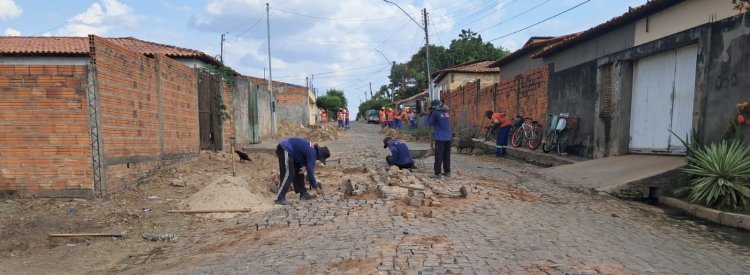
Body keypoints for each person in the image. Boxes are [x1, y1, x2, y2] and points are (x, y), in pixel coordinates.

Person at [275, 137, 330, 205]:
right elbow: (310, 174)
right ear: (320, 156)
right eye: (320, 159)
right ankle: (280, 198)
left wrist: (304, 165)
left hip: (292, 153)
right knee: (289, 174)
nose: (318, 160)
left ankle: (303, 193)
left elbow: (301, 153)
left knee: (299, 171)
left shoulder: (312, 149)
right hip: (285, 149)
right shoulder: (313, 154)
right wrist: (316, 187)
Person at [428, 99, 452, 178]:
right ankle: (447, 172)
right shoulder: (445, 112)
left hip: (440, 138)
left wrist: (430, 113)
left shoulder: (435, 113)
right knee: (446, 155)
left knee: (439, 155)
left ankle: (437, 173)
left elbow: (430, 123)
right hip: (448, 137)